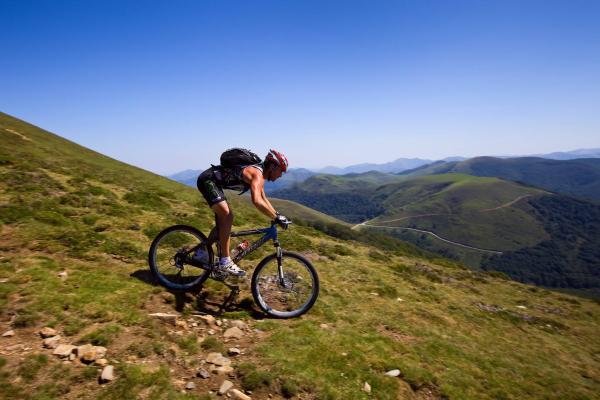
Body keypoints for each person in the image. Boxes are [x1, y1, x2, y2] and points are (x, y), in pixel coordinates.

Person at [195, 149, 290, 276]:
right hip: (208, 180)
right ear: (273, 166)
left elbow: (263, 198)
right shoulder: (257, 174)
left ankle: (201, 251)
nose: (280, 175)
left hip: (213, 182)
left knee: (223, 226)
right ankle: (225, 261)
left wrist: (277, 215)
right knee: (227, 215)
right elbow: (256, 201)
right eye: (281, 171)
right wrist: (275, 217)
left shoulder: (260, 174)